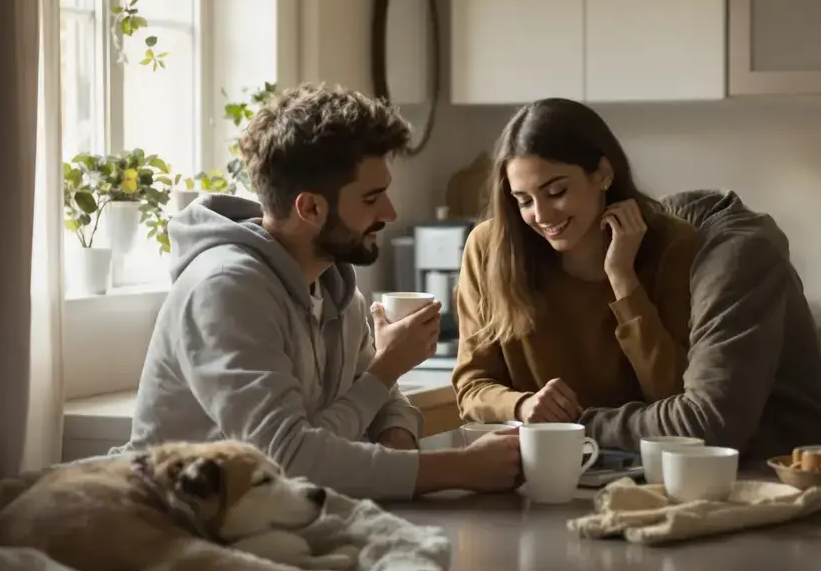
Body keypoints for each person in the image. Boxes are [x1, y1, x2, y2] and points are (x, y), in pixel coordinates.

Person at [112, 82, 521, 500]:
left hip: (264, 519)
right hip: (165, 514)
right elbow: (283, 460)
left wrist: (396, 438)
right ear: (310, 208)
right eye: (371, 198)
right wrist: (458, 467)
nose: (390, 212)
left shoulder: (333, 284)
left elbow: (380, 401)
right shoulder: (226, 290)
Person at [452, 98, 699, 424]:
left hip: (643, 458)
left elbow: (676, 398)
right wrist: (522, 406)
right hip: (536, 460)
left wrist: (622, 277)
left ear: (603, 174)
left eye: (556, 192)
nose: (541, 216)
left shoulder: (674, 246)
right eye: (524, 200)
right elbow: (471, 388)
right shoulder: (488, 247)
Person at [578, 189, 821, 466]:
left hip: (789, 479)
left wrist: (575, 425)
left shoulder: (735, 255)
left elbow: (706, 424)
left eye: (556, 192)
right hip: (698, 480)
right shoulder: (636, 253)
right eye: (529, 201)